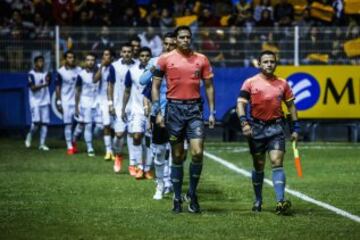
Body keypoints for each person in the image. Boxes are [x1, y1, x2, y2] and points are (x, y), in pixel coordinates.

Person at [152, 25, 215, 213]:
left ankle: (192, 194)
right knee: (178, 156)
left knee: (197, 153)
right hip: (174, 111)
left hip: (195, 110)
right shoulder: (165, 59)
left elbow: (209, 86)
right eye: (182, 37)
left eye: (188, 37)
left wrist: (212, 112)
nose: (185, 40)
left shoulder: (202, 59)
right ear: (176, 40)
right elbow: (155, 86)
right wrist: (159, 111)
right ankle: (177, 197)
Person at [236, 50, 299, 215]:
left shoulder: (283, 84)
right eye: (266, 62)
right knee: (259, 165)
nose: (269, 64)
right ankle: (258, 200)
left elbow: (291, 106)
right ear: (259, 63)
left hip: (277, 128)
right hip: (256, 128)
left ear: (275, 63)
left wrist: (295, 128)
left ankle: (280, 201)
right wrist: (244, 122)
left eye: (272, 61)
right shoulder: (250, 82)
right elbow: (241, 103)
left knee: (277, 161)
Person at [140, 32, 177, 200]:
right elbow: (142, 80)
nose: (168, 47)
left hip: (179, 112)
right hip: (158, 112)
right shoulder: (155, 61)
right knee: (160, 150)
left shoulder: (183, 62)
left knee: (177, 151)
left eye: (172, 44)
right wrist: (153, 70)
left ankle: (170, 182)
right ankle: (160, 184)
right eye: (166, 44)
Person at [122, 47, 153, 179]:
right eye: (142, 55)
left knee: (150, 141)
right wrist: (123, 107)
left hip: (152, 110)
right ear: (138, 57)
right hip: (137, 109)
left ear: (150, 57)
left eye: (147, 56)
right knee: (136, 136)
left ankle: (148, 168)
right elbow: (127, 90)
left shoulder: (156, 71)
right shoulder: (132, 71)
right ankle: (139, 166)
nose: (144, 58)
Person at [108, 43, 137, 173]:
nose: (126, 54)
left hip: (135, 106)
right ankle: (118, 155)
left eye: (129, 52)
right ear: (121, 53)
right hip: (120, 105)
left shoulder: (137, 65)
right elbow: (110, 85)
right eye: (124, 52)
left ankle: (132, 164)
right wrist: (110, 103)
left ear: (132, 53)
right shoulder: (115, 66)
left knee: (132, 135)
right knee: (119, 135)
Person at [55, 50, 82, 155]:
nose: (71, 59)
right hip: (66, 100)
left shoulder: (79, 70)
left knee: (82, 122)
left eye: (73, 57)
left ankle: (74, 140)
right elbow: (58, 87)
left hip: (77, 100)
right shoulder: (61, 71)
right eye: (69, 57)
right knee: (68, 124)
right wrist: (58, 101)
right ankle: (69, 147)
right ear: (65, 59)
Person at [74, 53, 98, 157]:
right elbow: (77, 90)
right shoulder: (81, 74)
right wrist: (76, 106)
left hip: (97, 102)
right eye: (88, 60)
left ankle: (77, 141)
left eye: (92, 60)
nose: (90, 62)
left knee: (86, 125)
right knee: (85, 125)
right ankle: (89, 147)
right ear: (85, 61)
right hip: (85, 102)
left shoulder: (99, 73)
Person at [25, 55, 51, 151]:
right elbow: (33, 88)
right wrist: (44, 84)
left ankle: (42, 144)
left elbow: (49, 82)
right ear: (35, 63)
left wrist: (48, 79)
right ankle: (30, 135)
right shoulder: (30, 74)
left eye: (42, 61)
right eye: (39, 61)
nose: (42, 63)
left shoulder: (46, 73)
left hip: (45, 100)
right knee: (36, 123)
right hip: (35, 101)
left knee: (45, 123)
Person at [94, 48, 115, 161]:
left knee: (114, 128)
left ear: (111, 57)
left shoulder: (116, 67)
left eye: (107, 55)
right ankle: (108, 151)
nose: (104, 57)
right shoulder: (99, 67)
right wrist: (101, 66)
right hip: (103, 101)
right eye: (103, 55)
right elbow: (95, 80)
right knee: (106, 125)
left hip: (115, 100)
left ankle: (114, 149)